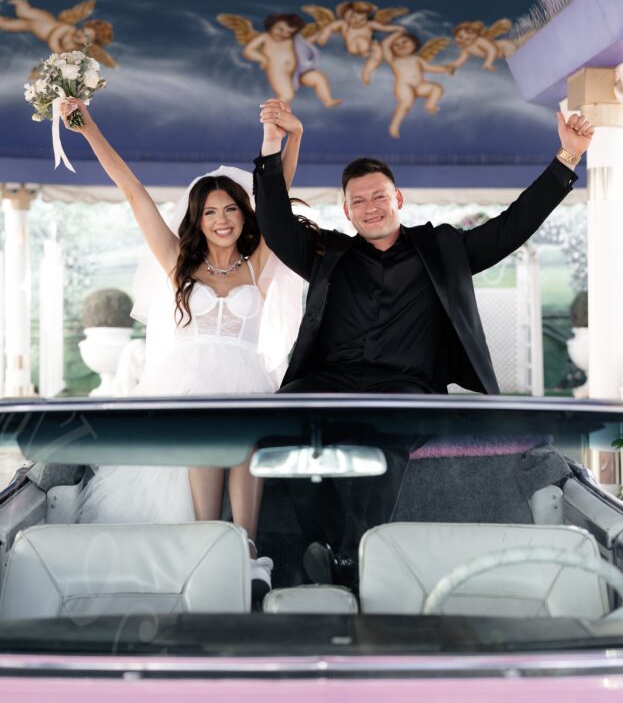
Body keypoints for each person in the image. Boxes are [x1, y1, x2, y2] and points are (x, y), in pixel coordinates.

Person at [254, 104, 594, 584]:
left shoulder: (443, 249)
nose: (371, 207)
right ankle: (328, 547)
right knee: (283, 424)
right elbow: (273, 223)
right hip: (330, 382)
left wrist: (567, 158)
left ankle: (348, 560)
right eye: (358, 201)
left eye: (379, 196)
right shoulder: (329, 255)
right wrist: (273, 145)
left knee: (384, 442)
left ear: (399, 198)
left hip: (405, 386)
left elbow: (513, 225)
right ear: (347, 211)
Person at [60, 95, 304, 593]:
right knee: (204, 448)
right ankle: (206, 551)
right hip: (191, 385)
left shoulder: (258, 263)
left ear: (244, 214)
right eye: (211, 211)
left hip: (246, 382)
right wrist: (86, 128)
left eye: (232, 208)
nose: (222, 219)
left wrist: (282, 138)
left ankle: (250, 558)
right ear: (197, 217)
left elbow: (277, 197)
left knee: (245, 436)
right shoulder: (178, 262)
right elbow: (132, 192)